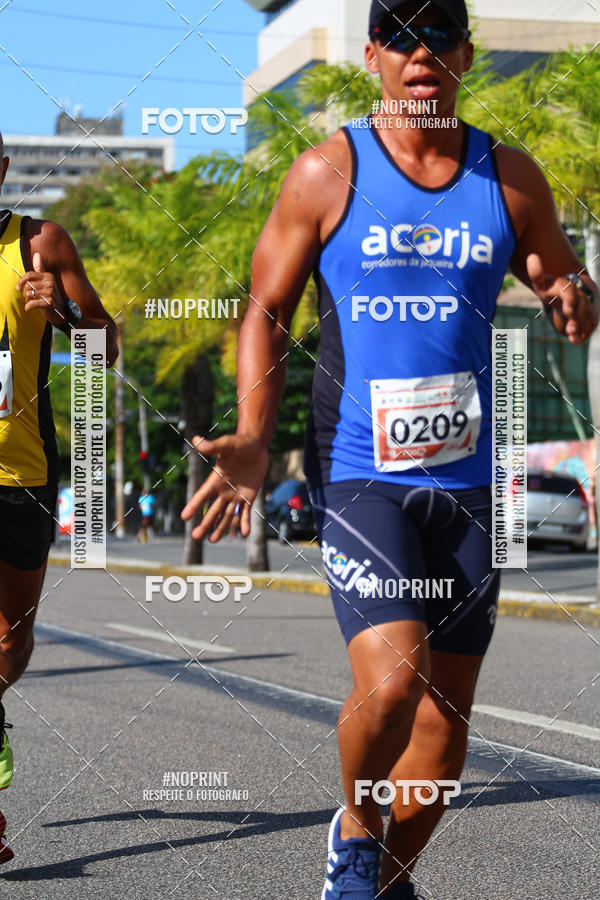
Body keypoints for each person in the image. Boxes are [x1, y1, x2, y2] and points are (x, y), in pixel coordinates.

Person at [181, 1, 598, 896]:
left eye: (438, 33)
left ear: (465, 55)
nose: (421, 52)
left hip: (470, 482)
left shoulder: (509, 176)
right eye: (400, 36)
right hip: (360, 472)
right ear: (372, 53)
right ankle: (358, 825)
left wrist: (574, 294)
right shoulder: (328, 172)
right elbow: (265, 311)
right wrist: (253, 436)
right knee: (395, 677)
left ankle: (377, 880)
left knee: (446, 730)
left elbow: (560, 274)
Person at [0, 130, 118, 861]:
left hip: (24, 472)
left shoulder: (40, 244)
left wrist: (67, 313)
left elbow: (107, 349)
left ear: (3, 168)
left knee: (11, 639)